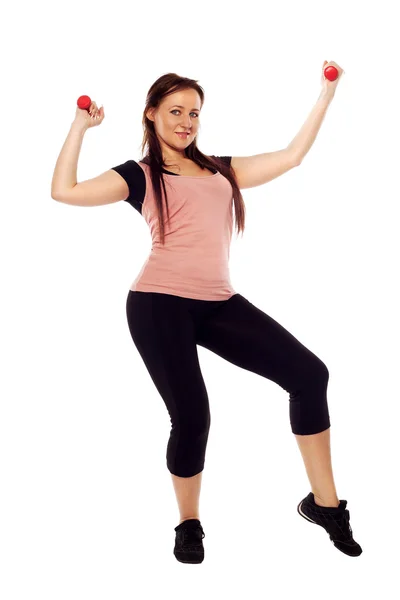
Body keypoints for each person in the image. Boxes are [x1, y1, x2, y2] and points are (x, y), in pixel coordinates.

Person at [51, 68, 362, 564]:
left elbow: (291, 157)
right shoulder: (140, 174)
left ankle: (326, 506)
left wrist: (326, 95)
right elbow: (62, 191)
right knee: (193, 417)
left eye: (194, 112)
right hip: (158, 303)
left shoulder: (222, 170)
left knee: (309, 375)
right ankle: (189, 523)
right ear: (151, 115)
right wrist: (79, 127)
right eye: (175, 111)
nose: (186, 121)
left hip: (218, 302)